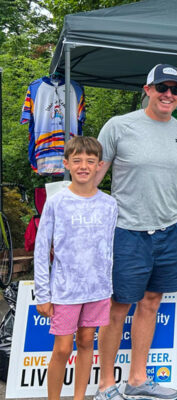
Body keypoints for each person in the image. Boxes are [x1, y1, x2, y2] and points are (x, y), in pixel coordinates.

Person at [94, 64, 177, 400]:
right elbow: (92, 178)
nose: (168, 94)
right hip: (126, 232)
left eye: (175, 89)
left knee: (151, 303)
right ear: (147, 88)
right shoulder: (119, 127)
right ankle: (106, 385)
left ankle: (137, 379)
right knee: (118, 307)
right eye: (162, 87)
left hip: (169, 232)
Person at [34, 137, 117, 400]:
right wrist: (43, 294)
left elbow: (109, 249)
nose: (84, 166)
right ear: (67, 163)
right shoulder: (57, 202)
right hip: (65, 291)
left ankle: (79, 397)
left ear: (99, 165)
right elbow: (41, 248)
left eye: (90, 161)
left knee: (85, 343)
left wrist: (108, 288)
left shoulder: (109, 204)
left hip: (97, 290)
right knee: (61, 348)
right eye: (78, 160)